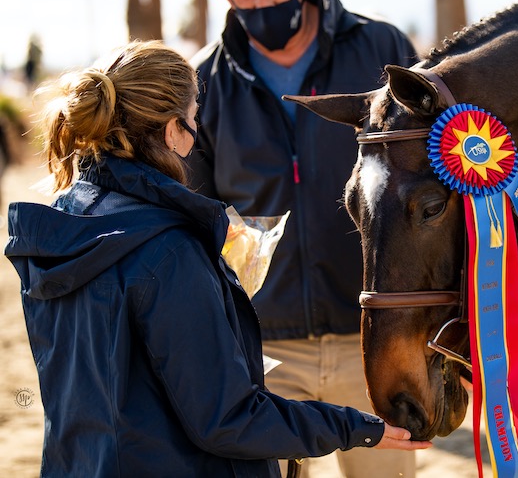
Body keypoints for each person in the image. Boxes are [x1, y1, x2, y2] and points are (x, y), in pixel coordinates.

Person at [4, 40, 431, 478]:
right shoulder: (167, 251)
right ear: (172, 131)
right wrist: (351, 426)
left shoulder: (59, 230)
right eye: (193, 122)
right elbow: (228, 420)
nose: (195, 136)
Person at [187, 0, 420, 476]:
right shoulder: (202, 81)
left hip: (373, 342)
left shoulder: (383, 50)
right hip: (263, 354)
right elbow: (195, 217)